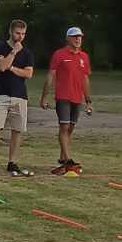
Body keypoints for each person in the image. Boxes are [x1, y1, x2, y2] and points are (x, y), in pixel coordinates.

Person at [0, 19, 35, 176]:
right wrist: (13, 52)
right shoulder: (0, 47)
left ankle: (12, 162)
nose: (20, 37)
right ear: (11, 32)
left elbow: (28, 74)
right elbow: (2, 66)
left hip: (20, 96)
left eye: (23, 34)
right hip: (1, 95)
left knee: (17, 130)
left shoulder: (28, 53)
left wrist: (11, 68)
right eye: (18, 33)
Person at [39, 25, 92, 174]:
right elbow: (51, 75)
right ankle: (68, 160)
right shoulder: (59, 54)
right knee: (64, 127)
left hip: (77, 98)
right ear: (68, 38)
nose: (78, 39)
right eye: (74, 36)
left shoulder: (84, 57)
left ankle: (63, 159)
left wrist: (88, 100)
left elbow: (85, 79)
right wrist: (44, 97)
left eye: (79, 37)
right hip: (63, 96)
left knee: (70, 128)